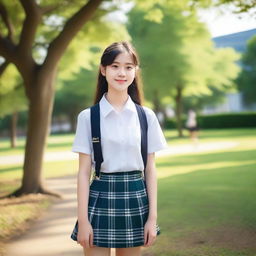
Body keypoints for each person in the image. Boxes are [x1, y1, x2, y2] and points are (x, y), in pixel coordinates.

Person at [70, 41, 168, 256]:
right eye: (115, 66)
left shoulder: (146, 116)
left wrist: (152, 218)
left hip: (135, 198)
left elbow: (150, 169)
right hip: (99, 197)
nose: (122, 73)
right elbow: (84, 171)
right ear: (103, 70)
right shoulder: (88, 117)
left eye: (128, 67)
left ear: (135, 71)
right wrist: (83, 221)